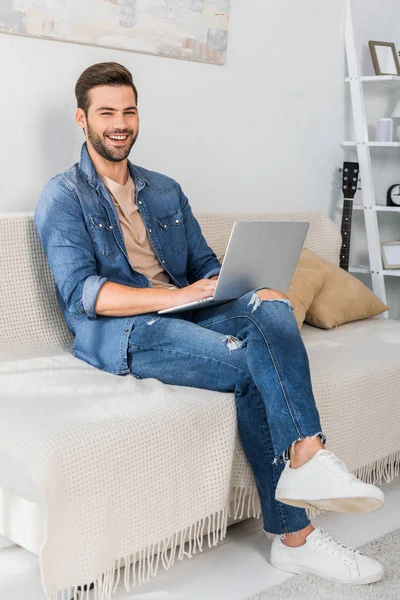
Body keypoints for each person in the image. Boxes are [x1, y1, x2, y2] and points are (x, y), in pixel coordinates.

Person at [34, 62, 385, 586]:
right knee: (249, 365)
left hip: (186, 308)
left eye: (128, 111)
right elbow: (86, 295)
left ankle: (307, 454)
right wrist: (174, 295)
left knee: (271, 304)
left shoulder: (164, 189)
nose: (120, 123)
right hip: (126, 331)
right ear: (81, 120)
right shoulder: (62, 197)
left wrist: (236, 285)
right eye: (106, 112)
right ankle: (295, 538)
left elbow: (203, 265)